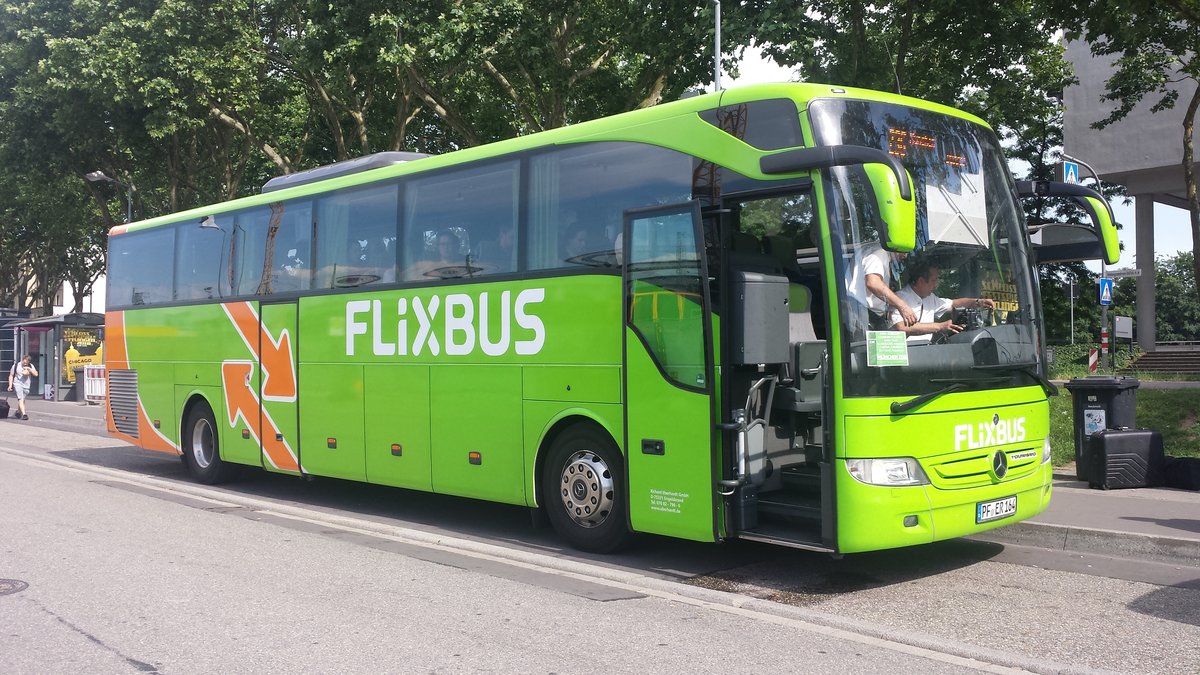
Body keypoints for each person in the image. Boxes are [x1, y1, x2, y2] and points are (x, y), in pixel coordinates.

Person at [889, 261, 995, 340]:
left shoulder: (930, 298)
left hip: (926, 352)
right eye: (934, 280)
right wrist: (939, 327)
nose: (936, 285)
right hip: (904, 357)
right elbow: (901, 327)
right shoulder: (900, 298)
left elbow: (953, 304)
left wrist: (978, 302)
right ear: (921, 281)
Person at [849, 241, 917, 328]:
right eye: (904, 251)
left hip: (863, 311)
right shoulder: (880, 252)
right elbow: (873, 283)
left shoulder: (873, 249)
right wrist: (902, 306)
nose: (905, 256)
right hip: (860, 312)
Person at [8, 354, 38, 420]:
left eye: (26, 363)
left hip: (26, 386)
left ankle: (18, 412)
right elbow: (11, 375)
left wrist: (29, 369)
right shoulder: (16, 365)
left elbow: (36, 374)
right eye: (24, 362)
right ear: (22, 360)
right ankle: (24, 414)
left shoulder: (30, 366)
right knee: (20, 398)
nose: (24, 364)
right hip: (17, 384)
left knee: (22, 399)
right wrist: (10, 385)